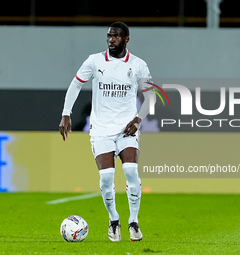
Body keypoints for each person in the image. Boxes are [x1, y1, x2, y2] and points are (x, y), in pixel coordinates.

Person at [59, 21, 155, 242]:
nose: (111, 40)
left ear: (126, 39)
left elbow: (151, 98)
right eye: (109, 36)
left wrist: (138, 119)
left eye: (116, 36)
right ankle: (114, 220)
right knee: (106, 178)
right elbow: (75, 85)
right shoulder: (94, 61)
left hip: (126, 129)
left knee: (131, 172)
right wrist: (66, 113)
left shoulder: (139, 65)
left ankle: (133, 221)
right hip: (101, 130)